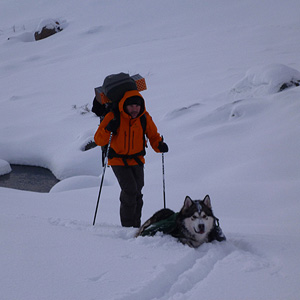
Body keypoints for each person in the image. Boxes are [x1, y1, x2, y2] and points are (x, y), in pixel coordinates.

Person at [94, 90, 168, 228]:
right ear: (124, 106)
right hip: (117, 160)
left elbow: (153, 135)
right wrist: (108, 129)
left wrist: (159, 146)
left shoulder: (144, 117)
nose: (135, 109)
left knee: (137, 192)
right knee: (129, 190)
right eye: (131, 106)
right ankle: (128, 227)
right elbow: (98, 139)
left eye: (137, 106)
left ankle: (136, 226)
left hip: (137, 159)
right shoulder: (113, 117)